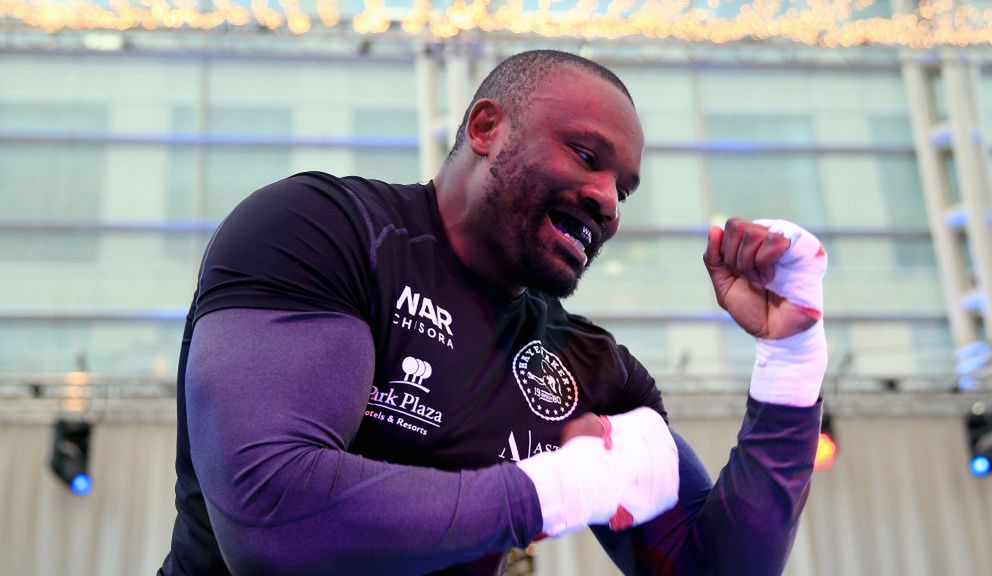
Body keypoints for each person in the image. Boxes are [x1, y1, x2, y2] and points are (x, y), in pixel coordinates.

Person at [158, 49, 827, 575]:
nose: (608, 202)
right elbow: (272, 520)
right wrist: (557, 488)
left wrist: (792, 359)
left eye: (622, 189)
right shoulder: (325, 230)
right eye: (587, 157)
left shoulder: (591, 371)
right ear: (486, 128)